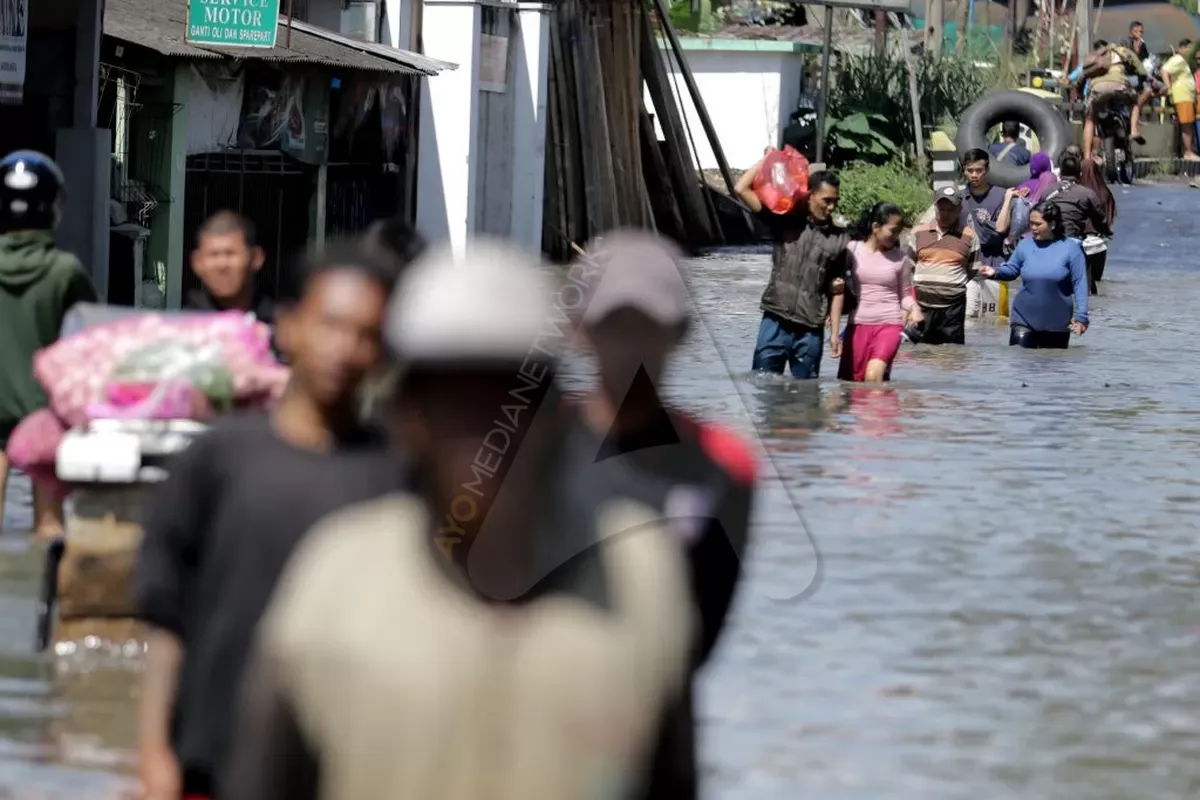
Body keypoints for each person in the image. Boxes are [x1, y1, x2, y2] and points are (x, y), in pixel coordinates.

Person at [224, 239, 697, 800]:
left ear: (553, 417)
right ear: (407, 421)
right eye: (454, 400)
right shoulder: (337, 581)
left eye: (508, 395)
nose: (488, 430)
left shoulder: (637, 576)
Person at [134, 247, 408, 800]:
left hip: (343, 763)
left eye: (366, 335)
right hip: (211, 756)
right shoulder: (218, 460)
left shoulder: (397, 475)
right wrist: (153, 753)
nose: (345, 350)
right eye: (330, 326)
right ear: (289, 328)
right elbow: (168, 621)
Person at [564, 230, 756, 798]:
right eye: (616, 325)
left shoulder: (724, 466)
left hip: (659, 739)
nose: (633, 346)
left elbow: (700, 632)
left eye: (650, 327)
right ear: (579, 331)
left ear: (681, 334)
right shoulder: (529, 454)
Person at [0, 150, 97, 538]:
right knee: (50, 525)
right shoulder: (64, 271)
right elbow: (92, 335)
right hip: (44, 413)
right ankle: (50, 594)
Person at [735, 163, 847, 378]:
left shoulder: (839, 239)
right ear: (809, 196)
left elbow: (838, 289)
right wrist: (767, 158)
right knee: (763, 385)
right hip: (775, 319)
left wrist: (834, 334)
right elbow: (741, 189)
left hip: (810, 328)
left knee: (806, 395)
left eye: (835, 201)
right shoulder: (784, 222)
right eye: (827, 200)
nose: (832, 207)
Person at [978, 202, 1089, 349]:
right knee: (1021, 363)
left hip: (1058, 322)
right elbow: (1012, 270)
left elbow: (1080, 283)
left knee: (1053, 368)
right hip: (1023, 319)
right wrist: (995, 272)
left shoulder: (1071, 248)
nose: (1033, 228)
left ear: (1053, 224)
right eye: (1031, 223)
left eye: (1038, 224)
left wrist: (1081, 317)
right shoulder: (1025, 245)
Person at [837, 203, 921, 381]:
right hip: (857, 324)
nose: (896, 236)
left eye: (899, 231)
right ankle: (884, 407)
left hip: (889, 324)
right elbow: (839, 283)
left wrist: (915, 309)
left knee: (873, 375)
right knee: (851, 383)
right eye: (893, 230)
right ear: (875, 227)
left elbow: (905, 295)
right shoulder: (852, 249)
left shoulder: (901, 258)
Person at [909, 187, 980, 345]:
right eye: (941, 209)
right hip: (922, 308)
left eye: (951, 209)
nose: (945, 214)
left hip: (952, 310)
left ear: (959, 210)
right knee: (920, 357)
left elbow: (972, 269)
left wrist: (951, 284)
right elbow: (909, 268)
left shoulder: (969, 236)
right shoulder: (918, 233)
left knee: (952, 357)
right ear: (935, 207)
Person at [960, 149, 1020, 319]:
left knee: (997, 321)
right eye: (969, 170)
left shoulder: (1001, 195)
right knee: (967, 319)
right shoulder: (958, 198)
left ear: (986, 170)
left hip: (995, 268)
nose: (974, 175)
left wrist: (1008, 199)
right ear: (964, 170)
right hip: (966, 270)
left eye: (978, 170)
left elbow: (1001, 228)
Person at [185, 211, 274, 323]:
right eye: (214, 255)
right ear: (197, 262)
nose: (222, 265)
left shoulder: (281, 328)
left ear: (255, 258)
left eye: (230, 253)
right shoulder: (180, 330)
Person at [1043, 153, 1114, 295]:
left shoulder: (1047, 192)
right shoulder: (1087, 194)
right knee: (1087, 292)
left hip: (1050, 246)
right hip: (1074, 246)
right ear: (1079, 173)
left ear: (1061, 172)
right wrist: (1107, 231)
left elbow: (1038, 214)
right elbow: (1100, 220)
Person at [1077, 40, 1146, 162]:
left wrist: (1079, 92)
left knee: (1090, 119)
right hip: (1119, 85)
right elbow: (1141, 71)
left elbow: (1082, 76)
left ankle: (1087, 157)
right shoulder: (1122, 51)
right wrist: (1140, 84)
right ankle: (1134, 131)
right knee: (1135, 103)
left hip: (1097, 89)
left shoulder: (1096, 56)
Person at [1161, 39, 1200, 160]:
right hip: (1183, 96)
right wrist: (1168, 86)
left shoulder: (1184, 61)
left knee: (1188, 123)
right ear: (1182, 48)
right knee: (1186, 124)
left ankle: (1188, 150)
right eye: (1188, 48)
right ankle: (1188, 152)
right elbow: (1164, 70)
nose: (1190, 51)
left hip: (1188, 96)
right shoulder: (1177, 59)